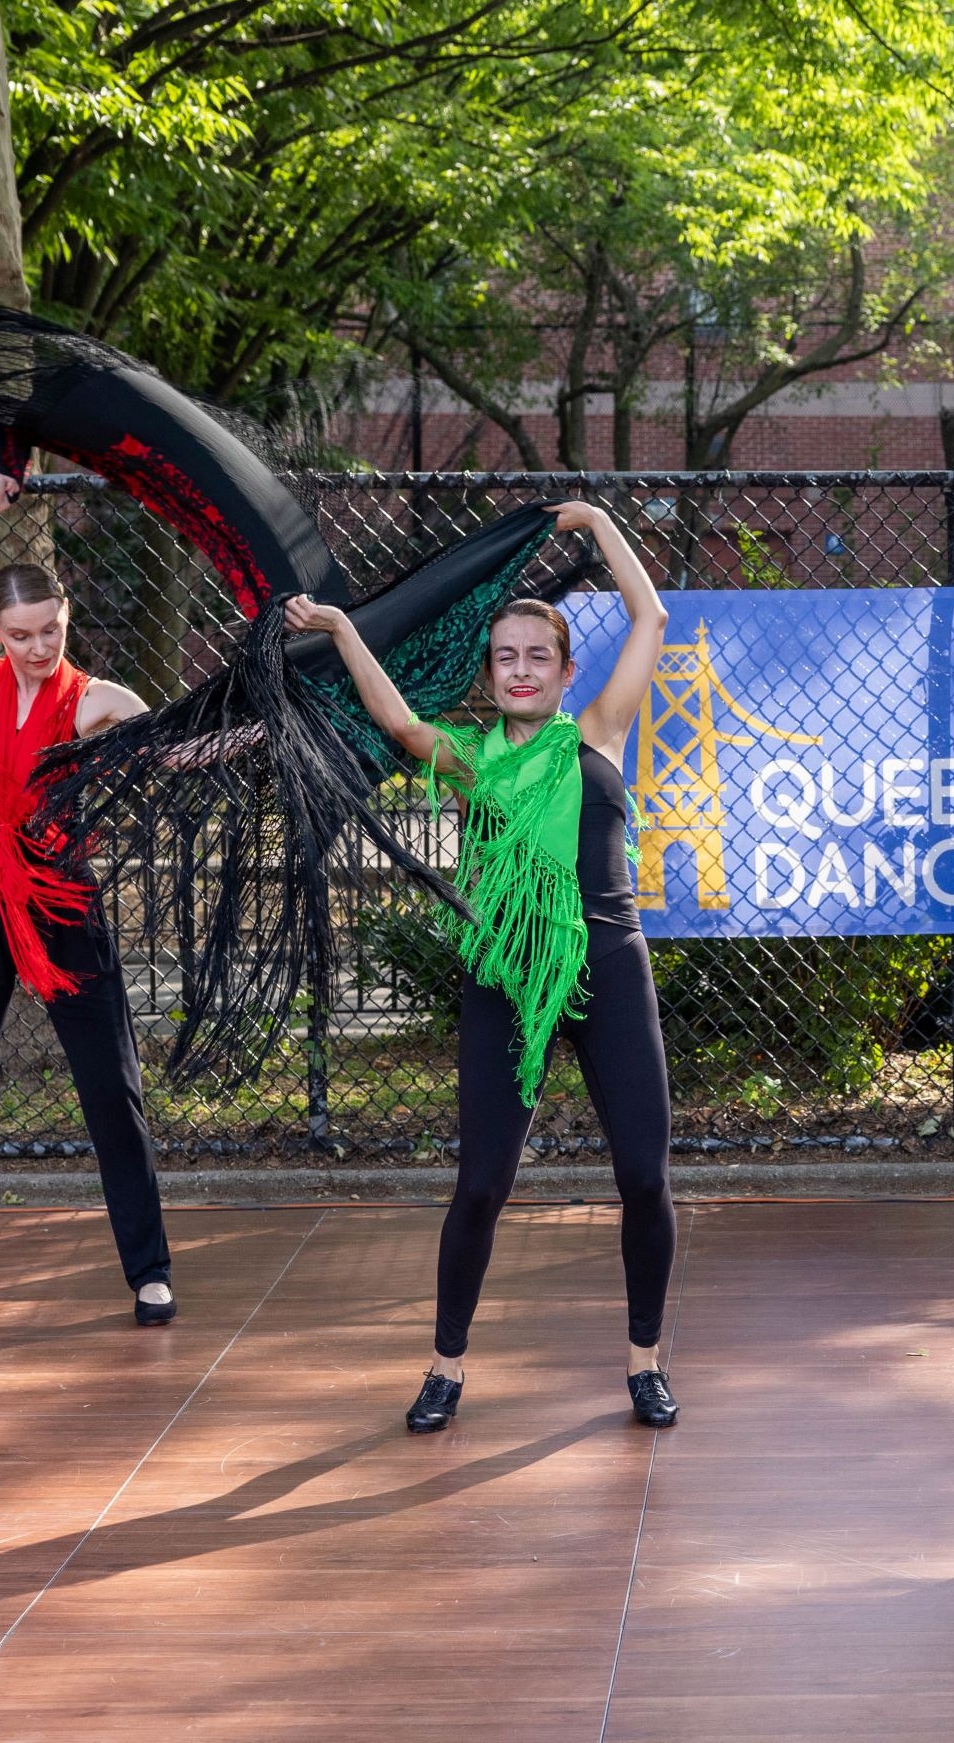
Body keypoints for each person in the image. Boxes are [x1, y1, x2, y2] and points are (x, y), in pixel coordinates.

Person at [287, 499, 679, 1433]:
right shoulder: (467, 761)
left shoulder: (597, 734)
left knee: (643, 1177)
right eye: (506, 657)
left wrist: (597, 523)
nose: (522, 668)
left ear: (566, 672)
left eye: (539, 656)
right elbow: (394, 718)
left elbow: (652, 615)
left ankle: (645, 1363)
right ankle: (445, 1367)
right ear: (490, 671)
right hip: (504, 975)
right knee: (481, 1185)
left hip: (605, 968)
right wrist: (342, 627)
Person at [0, 473, 170, 1328]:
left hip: (61, 901)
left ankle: (150, 1271)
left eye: (52, 629)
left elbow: (174, 749)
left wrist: (259, 725)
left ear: (65, 619)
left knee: (111, 1091)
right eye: (21, 634)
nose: (40, 646)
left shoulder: (96, 701)